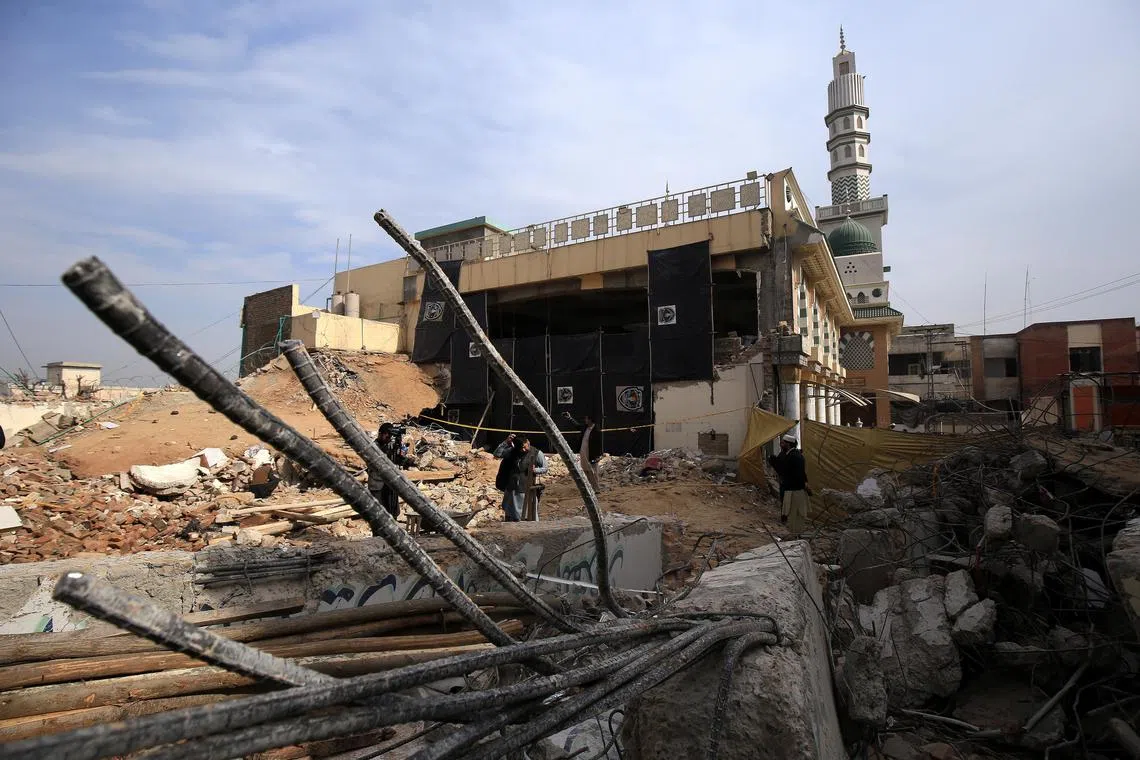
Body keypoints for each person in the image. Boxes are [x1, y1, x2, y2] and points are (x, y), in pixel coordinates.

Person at [768, 434, 811, 535]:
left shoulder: (794, 456)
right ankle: (793, 531)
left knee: (795, 513)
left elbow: (785, 471)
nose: (781, 444)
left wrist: (774, 462)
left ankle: (796, 534)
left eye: (783, 443)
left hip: (794, 490)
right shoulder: (789, 454)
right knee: (790, 511)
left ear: (788, 444)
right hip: (790, 488)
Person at [369, 422, 412, 519]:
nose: (388, 438)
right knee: (378, 515)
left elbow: (398, 462)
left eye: (390, 436)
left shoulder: (391, 445)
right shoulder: (373, 446)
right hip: (377, 485)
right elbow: (375, 463)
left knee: (392, 512)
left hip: (391, 484)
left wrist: (402, 457)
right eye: (387, 435)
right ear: (380, 434)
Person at [563, 412, 602, 492]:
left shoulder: (596, 430)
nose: (585, 420)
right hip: (584, 452)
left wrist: (598, 456)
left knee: (593, 472)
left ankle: (596, 489)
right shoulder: (585, 428)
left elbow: (599, 444)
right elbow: (577, 426)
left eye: (586, 419)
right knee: (585, 470)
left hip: (592, 454)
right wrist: (570, 418)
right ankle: (589, 487)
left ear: (590, 420)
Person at [495, 436, 531, 521]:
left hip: (524, 486)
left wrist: (535, 470)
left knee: (522, 510)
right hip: (510, 484)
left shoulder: (534, 452)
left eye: (526, 446)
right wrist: (506, 442)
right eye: (522, 448)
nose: (524, 450)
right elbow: (497, 454)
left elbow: (544, 467)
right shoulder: (511, 452)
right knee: (509, 509)